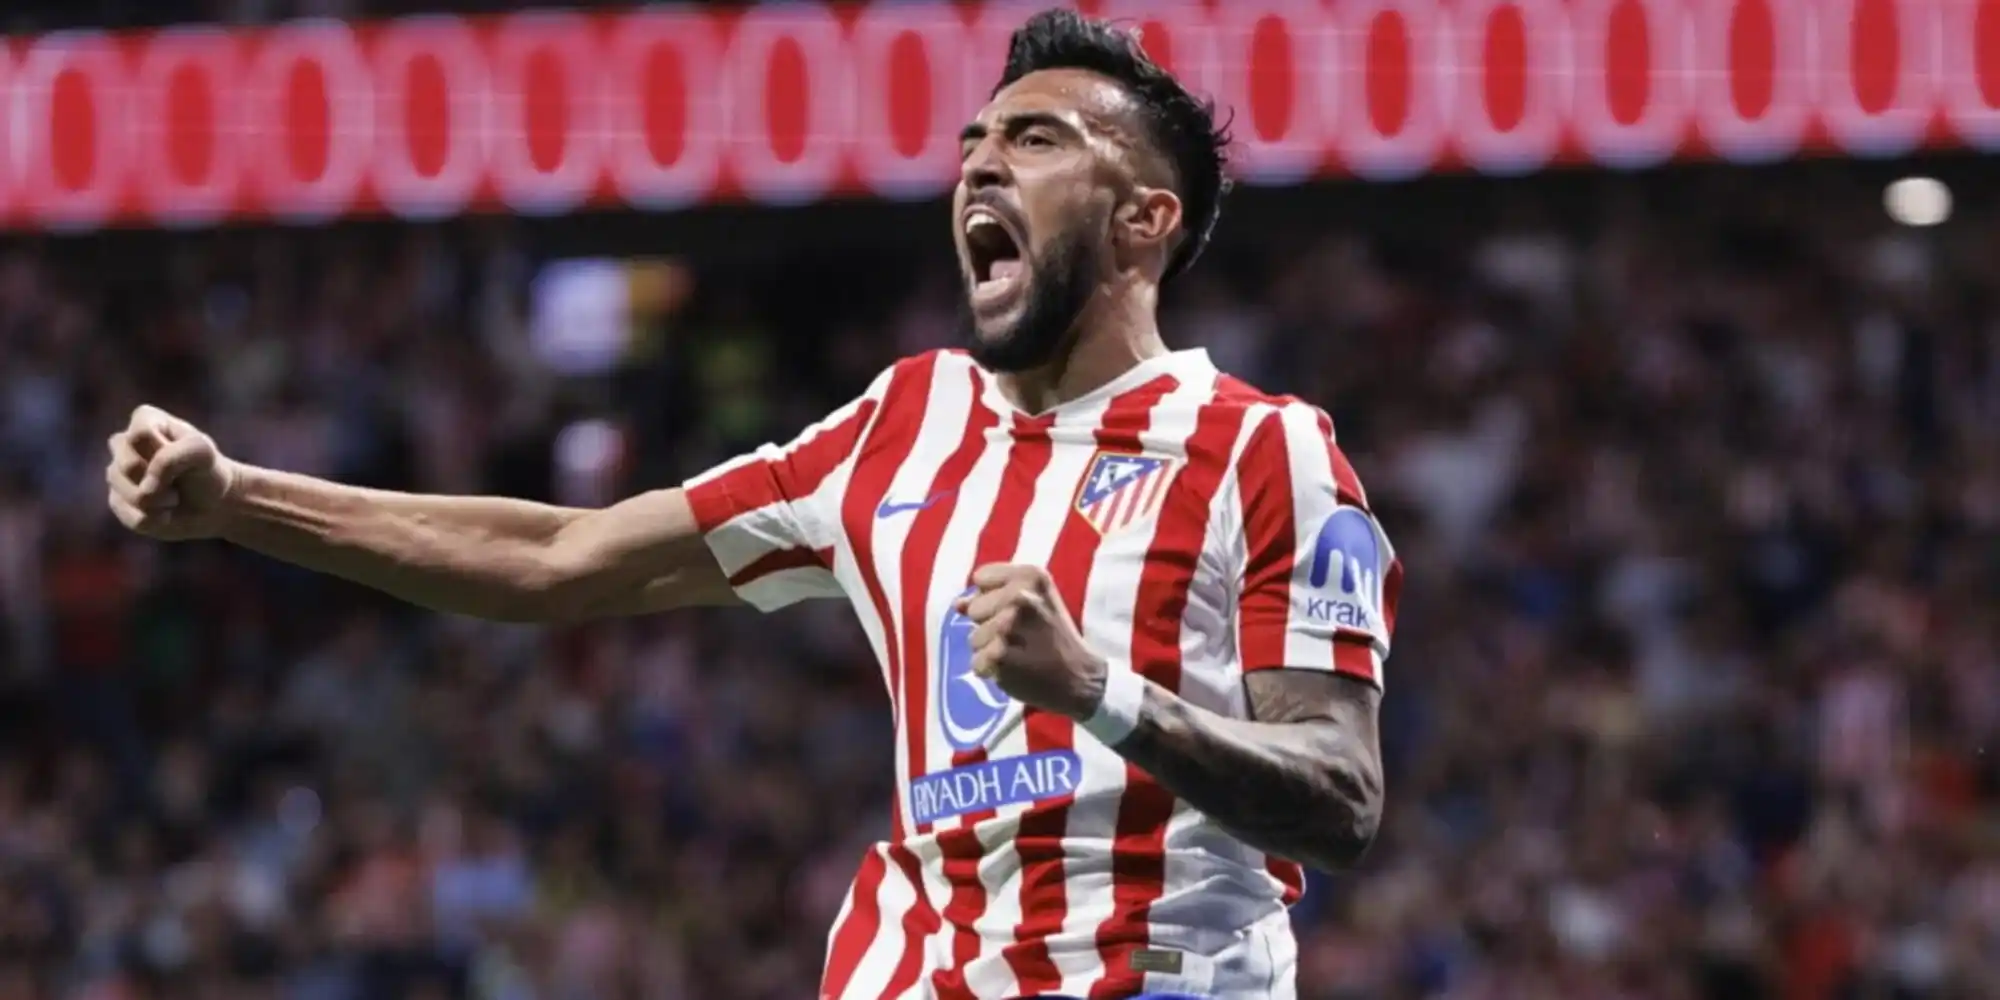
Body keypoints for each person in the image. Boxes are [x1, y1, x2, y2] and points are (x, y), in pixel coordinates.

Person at [103, 9, 1399, 999]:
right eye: (974, 145)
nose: (980, 168)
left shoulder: (1261, 452)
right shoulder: (903, 426)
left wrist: (1101, 694)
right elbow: (565, 554)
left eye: (1035, 139)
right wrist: (239, 499)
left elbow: (1338, 794)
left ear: (1143, 222)